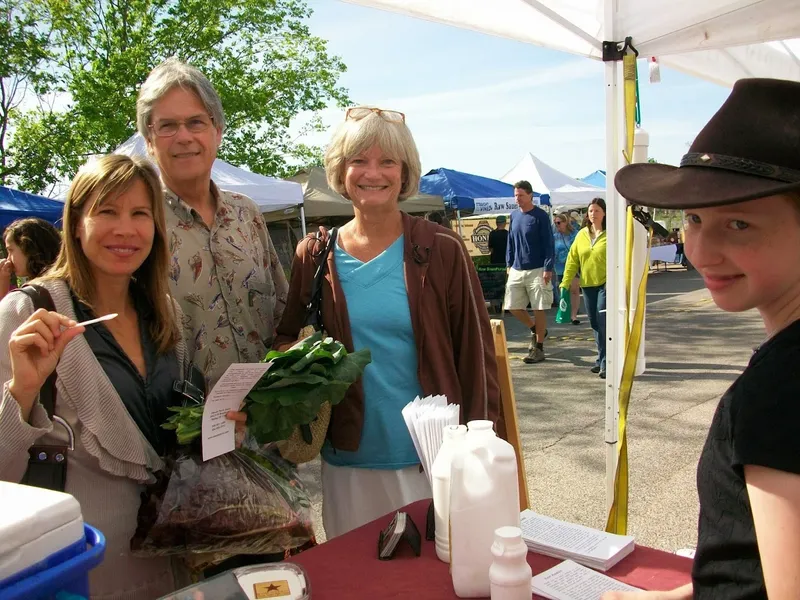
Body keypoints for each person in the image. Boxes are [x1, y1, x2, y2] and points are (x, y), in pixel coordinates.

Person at [0, 155, 241, 599]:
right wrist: (24, 391)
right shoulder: (26, 314)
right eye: (106, 211)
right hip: (81, 569)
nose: (125, 229)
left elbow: (175, 434)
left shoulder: (166, 313)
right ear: (75, 224)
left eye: (139, 214)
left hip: (171, 557)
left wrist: (219, 426)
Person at [605, 78, 800, 600]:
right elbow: (755, 559)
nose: (701, 251)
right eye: (693, 219)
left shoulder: (780, 389)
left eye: (738, 223)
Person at [274, 106, 502, 539]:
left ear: (405, 172)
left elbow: (476, 358)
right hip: (347, 463)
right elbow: (286, 338)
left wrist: (480, 450)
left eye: (387, 161)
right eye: (358, 159)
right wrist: (298, 363)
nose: (372, 172)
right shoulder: (314, 254)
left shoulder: (443, 250)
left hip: (430, 459)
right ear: (340, 171)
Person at [136, 58, 288, 389]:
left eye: (196, 122)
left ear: (217, 132)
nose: (184, 137)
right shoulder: (138, 223)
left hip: (268, 427)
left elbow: (282, 313)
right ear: (148, 140)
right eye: (167, 125)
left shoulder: (246, 214)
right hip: (183, 432)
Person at [504, 180, 555, 364]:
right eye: (516, 195)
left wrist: (548, 267)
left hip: (538, 268)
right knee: (512, 306)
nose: (518, 199)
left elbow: (549, 243)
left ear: (530, 195)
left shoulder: (540, 216)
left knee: (538, 307)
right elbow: (511, 241)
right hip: (517, 268)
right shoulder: (514, 215)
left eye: (521, 195)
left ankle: (539, 347)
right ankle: (535, 328)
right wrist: (509, 264)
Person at [560, 198, 607, 378]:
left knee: (603, 321)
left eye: (596, 211)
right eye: (590, 211)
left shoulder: (611, 234)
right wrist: (565, 283)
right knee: (595, 323)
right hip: (587, 284)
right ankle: (601, 357)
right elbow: (572, 260)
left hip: (606, 283)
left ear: (604, 213)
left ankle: (605, 363)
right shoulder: (581, 235)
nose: (593, 214)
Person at [1, 218, 62, 300]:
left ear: (28, 247)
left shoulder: (31, 295)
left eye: (11, 250)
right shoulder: (65, 284)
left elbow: (7, 312)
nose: (8, 259)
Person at [552, 213, 580, 324]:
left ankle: (574, 316)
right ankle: (565, 313)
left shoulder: (574, 234)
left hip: (572, 266)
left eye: (559, 222)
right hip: (559, 267)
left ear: (565, 222)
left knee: (574, 291)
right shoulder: (554, 236)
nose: (557, 225)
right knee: (563, 291)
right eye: (555, 223)